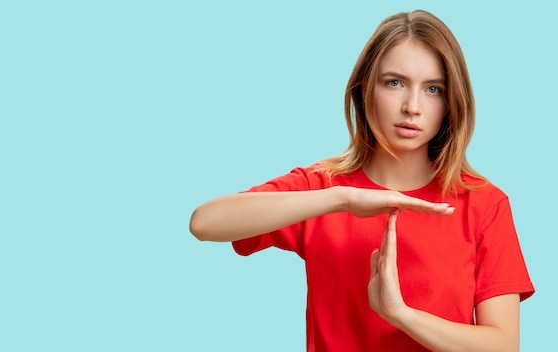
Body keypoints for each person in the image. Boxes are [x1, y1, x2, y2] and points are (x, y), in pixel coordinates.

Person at [189, 9, 534, 352]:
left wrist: (402, 316)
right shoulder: (323, 188)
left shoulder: (484, 204)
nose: (412, 106)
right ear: (365, 87)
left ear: (451, 102)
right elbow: (205, 223)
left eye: (432, 89)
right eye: (394, 83)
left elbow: (503, 345)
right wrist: (342, 199)